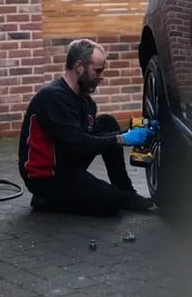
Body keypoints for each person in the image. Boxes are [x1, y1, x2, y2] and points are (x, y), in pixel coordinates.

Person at [18, 38, 157, 216]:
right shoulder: (53, 98)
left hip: (68, 163)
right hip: (46, 177)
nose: (101, 77)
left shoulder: (85, 101)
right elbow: (77, 143)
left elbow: (88, 140)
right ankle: (45, 199)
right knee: (111, 202)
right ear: (79, 67)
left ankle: (125, 189)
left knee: (107, 123)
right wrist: (123, 138)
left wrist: (132, 133)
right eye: (98, 71)